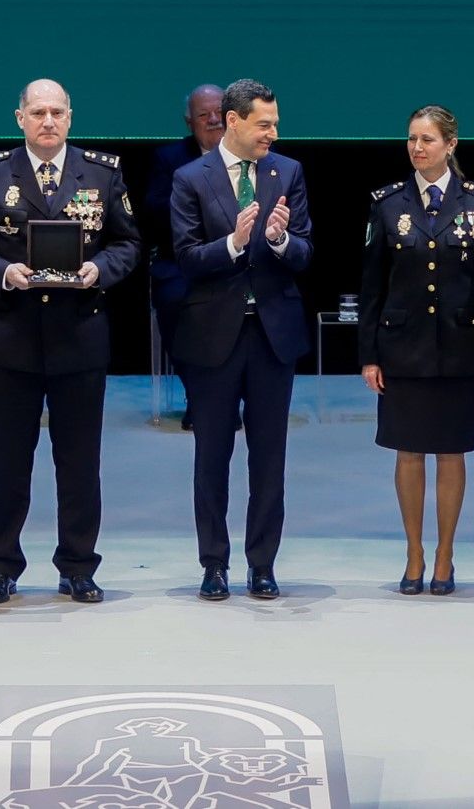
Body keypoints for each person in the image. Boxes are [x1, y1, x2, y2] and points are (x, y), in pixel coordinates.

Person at [0, 79, 140, 605]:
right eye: (38, 112)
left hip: (79, 335)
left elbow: (129, 243)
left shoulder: (102, 173)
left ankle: (78, 566)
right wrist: (2, 269)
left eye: (57, 112)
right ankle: (1, 566)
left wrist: (98, 269)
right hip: (10, 336)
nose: (48, 121)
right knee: (7, 461)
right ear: (20, 118)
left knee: (79, 461)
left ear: (71, 118)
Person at [168, 78, 314, 602]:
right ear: (233, 121)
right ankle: (214, 564)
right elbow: (185, 257)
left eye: (275, 123)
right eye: (264, 123)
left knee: (268, 456)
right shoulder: (190, 179)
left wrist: (278, 239)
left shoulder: (287, 172)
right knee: (212, 455)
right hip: (213, 337)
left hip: (272, 335)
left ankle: (262, 564)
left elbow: (304, 252)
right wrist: (232, 243)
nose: (272, 133)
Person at [358, 105, 474, 596]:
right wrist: (369, 354)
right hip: (403, 348)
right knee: (408, 451)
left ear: (450, 144)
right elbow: (372, 286)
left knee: (450, 451)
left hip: (460, 348)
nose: (417, 148)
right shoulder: (387, 204)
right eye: (411, 139)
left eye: (427, 139)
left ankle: (445, 554)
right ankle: (414, 552)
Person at [144, 84, 226, 353]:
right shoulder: (169, 159)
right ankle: (196, 381)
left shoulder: (256, 155)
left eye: (219, 112)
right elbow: (154, 213)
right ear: (189, 123)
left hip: (241, 263)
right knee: (174, 297)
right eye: (204, 115)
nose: (214, 120)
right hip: (184, 264)